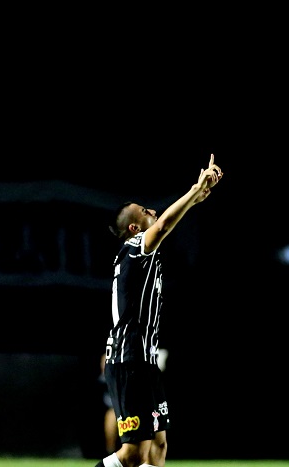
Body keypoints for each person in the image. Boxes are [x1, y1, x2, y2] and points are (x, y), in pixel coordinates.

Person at [97, 154, 223, 467]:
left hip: (145, 362)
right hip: (129, 363)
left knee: (157, 449)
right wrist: (195, 191)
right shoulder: (134, 247)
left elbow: (165, 224)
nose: (152, 210)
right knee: (134, 454)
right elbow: (164, 223)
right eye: (144, 210)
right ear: (134, 226)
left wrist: (195, 200)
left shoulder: (142, 256)